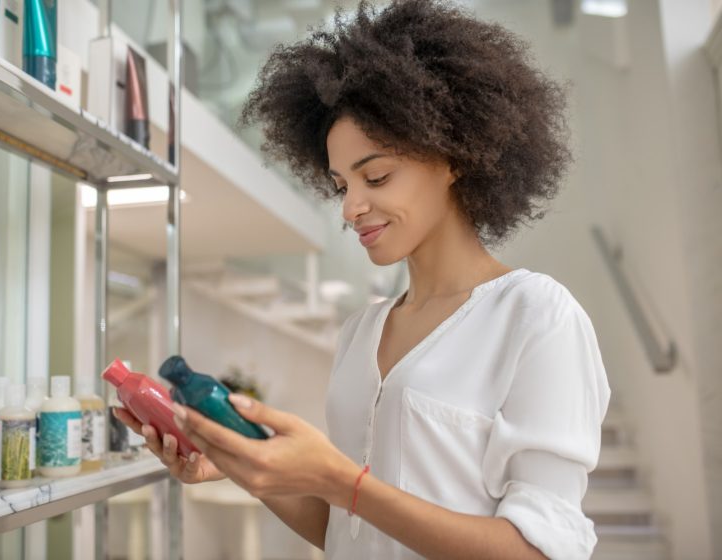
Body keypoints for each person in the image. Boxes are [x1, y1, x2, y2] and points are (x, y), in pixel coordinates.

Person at [114, 1, 610, 558]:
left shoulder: (535, 316)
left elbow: (541, 551)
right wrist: (242, 466)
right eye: (340, 185)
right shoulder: (361, 331)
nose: (350, 208)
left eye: (375, 176)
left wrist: (340, 481)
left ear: (454, 157)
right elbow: (345, 528)